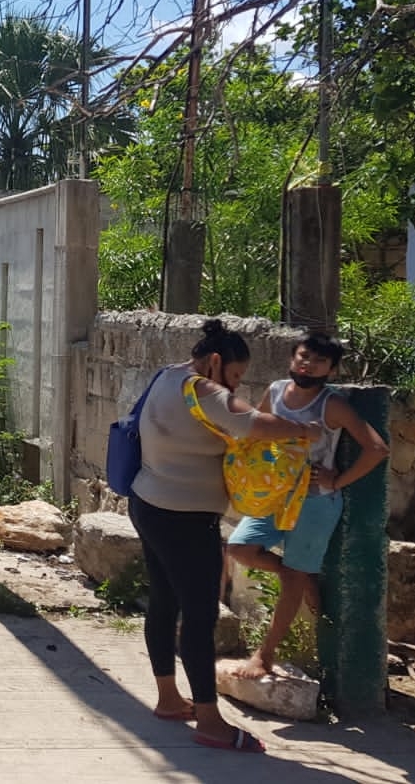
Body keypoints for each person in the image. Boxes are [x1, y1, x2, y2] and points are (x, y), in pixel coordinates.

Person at [129, 318, 323, 754]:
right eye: (235, 376)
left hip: (147, 502)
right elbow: (254, 425)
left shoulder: (169, 375)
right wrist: (304, 431)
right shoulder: (204, 390)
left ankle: (168, 698)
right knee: (200, 616)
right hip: (185, 518)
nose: (235, 386)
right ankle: (211, 721)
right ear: (215, 362)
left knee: (164, 600)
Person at [226, 334, 389, 680]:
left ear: (330, 369)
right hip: (275, 495)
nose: (307, 364)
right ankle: (294, 576)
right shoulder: (274, 391)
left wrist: (337, 480)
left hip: (315, 502)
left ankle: (264, 656)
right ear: (292, 358)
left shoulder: (333, 405)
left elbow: (376, 448)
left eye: (318, 360)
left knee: (294, 577)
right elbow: (258, 431)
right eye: (303, 356)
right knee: (240, 547)